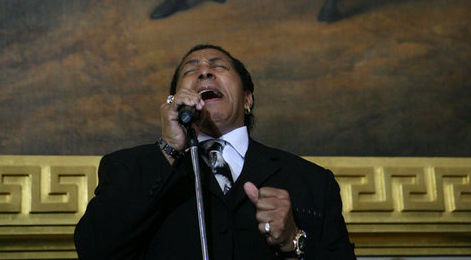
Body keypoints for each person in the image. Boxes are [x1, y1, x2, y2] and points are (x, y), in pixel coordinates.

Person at [74, 43, 356, 259]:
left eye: (218, 67)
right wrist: (168, 149)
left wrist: (294, 240)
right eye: (190, 70)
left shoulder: (313, 181)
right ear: (173, 101)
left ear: (247, 99)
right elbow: (94, 249)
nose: (204, 71)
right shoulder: (130, 167)